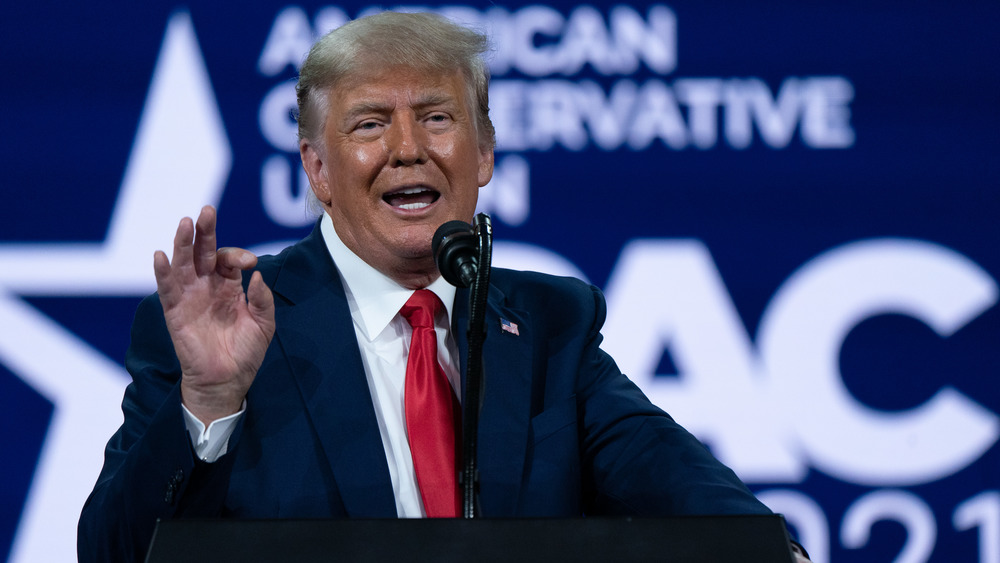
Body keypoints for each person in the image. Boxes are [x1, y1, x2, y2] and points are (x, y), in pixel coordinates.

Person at [78, 11, 808, 563]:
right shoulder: (235, 325)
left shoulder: (551, 324)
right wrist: (209, 404)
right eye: (369, 124)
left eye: (436, 117)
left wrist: (781, 553)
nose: (407, 149)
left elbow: (676, 479)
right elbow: (111, 551)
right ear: (317, 169)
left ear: (483, 151)